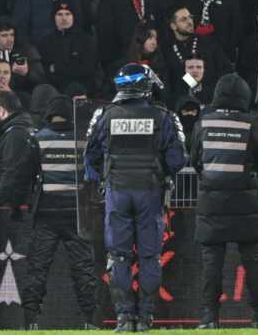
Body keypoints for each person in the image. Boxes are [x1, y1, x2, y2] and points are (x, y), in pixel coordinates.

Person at [84, 63, 188, 333]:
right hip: (150, 192)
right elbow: (178, 159)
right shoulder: (163, 116)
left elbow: (90, 159)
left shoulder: (104, 115)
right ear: (145, 85)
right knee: (150, 257)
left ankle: (123, 317)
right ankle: (145, 319)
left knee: (118, 257)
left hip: (117, 192)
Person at [7, 93, 100, 329]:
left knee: (37, 269)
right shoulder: (84, 140)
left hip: (46, 214)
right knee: (84, 270)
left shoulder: (38, 138)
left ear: (49, 115)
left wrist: (16, 207)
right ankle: (90, 320)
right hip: (78, 214)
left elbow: (21, 178)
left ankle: (31, 321)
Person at [190, 73, 258, 329]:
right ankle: (257, 317)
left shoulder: (203, 122)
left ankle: (209, 318)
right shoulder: (252, 123)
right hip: (246, 201)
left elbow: (195, 160)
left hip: (211, 202)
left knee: (212, 261)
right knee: (252, 260)